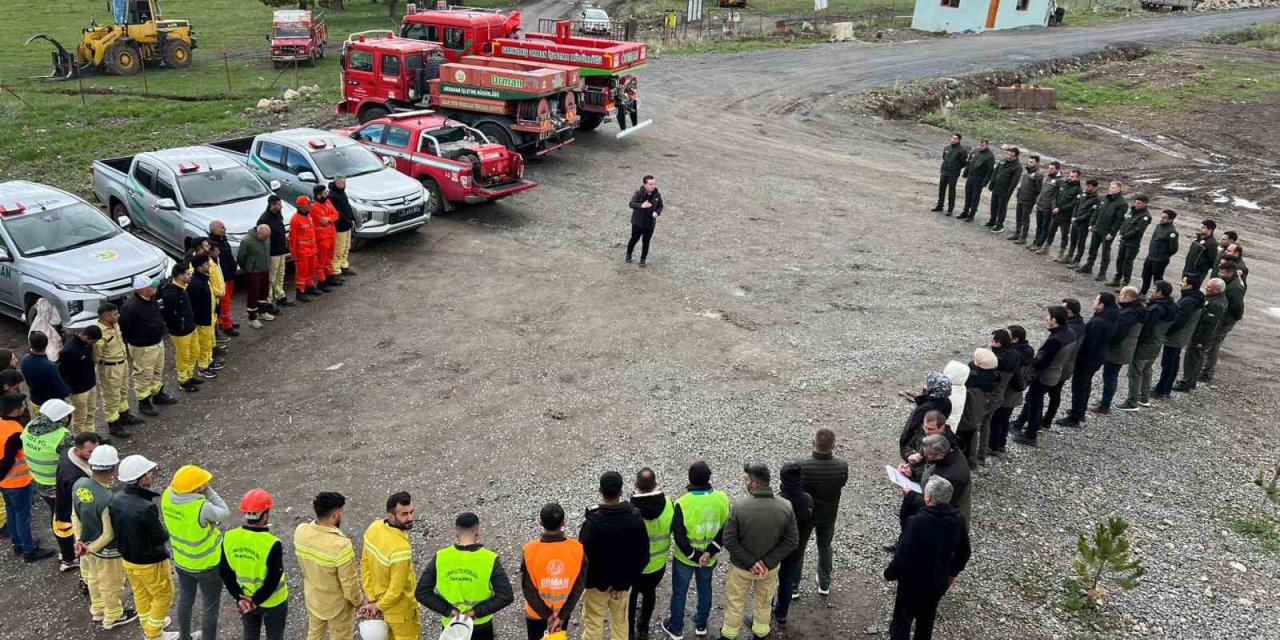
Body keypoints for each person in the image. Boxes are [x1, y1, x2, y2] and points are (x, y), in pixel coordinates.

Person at [883, 477, 971, 640]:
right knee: (926, 622)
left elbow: (903, 555)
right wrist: (952, 574)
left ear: (928, 497)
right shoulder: (958, 520)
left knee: (902, 620)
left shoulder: (916, 522)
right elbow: (964, 552)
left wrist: (889, 573)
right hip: (937, 582)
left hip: (912, 582)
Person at [718, 462, 798, 640]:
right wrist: (766, 562)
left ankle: (729, 635)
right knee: (764, 602)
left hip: (741, 569)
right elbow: (791, 541)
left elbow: (729, 539)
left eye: (746, 479)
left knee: (735, 602)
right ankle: (761, 633)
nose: (744, 482)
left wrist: (751, 562)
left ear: (754, 484)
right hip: (768, 570)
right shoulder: (786, 507)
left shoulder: (739, 507)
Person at [415, 512, 514, 640]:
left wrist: (449, 611)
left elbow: (421, 593)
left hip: (451, 627)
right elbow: (506, 596)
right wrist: (475, 613)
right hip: (481, 626)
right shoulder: (489, 559)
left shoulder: (441, 557)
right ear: (477, 533)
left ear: (457, 533)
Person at [72, 444, 140, 630]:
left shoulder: (79, 484)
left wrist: (81, 542)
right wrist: (90, 548)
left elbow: (75, 516)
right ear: (113, 468)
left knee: (93, 579)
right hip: (106, 552)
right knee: (111, 583)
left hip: (86, 544)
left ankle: (98, 610)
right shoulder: (108, 498)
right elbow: (109, 534)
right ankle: (113, 616)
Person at [111, 454, 179, 640]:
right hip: (150, 561)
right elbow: (160, 536)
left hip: (129, 559)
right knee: (164, 595)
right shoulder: (145, 506)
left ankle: (148, 622)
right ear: (140, 479)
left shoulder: (116, 499)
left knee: (141, 594)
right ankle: (154, 633)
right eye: (148, 472)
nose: (151, 474)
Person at [662, 461, 730, 640]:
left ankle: (676, 627)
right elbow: (726, 529)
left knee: (679, 592)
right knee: (705, 589)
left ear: (690, 479)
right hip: (710, 558)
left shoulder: (683, 503)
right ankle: (701, 624)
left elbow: (679, 536)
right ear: (709, 478)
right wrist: (708, 553)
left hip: (685, 559)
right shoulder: (722, 499)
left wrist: (694, 555)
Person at [162, 464, 231, 640]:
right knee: (210, 606)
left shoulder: (167, 496)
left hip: (182, 561)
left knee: (185, 599)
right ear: (197, 487)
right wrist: (207, 490)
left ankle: (184, 637)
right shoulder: (201, 506)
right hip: (207, 564)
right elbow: (224, 513)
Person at [579, 470, 648, 640]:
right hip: (622, 586)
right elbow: (643, 555)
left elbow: (584, 560)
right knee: (620, 623)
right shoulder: (635, 520)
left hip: (596, 586)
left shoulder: (591, 524)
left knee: (594, 623)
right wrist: (622, 583)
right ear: (621, 492)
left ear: (599, 490)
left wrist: (603, 584)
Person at [221, 489, 289, 640]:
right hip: (273, 602)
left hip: (245, 599)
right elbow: (273, 579)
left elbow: (225, 572)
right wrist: (256, 601)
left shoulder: (229, 537)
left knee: (250, 635)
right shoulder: (272, 543)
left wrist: (241, 599)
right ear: (265, 516)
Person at [294, 491, 361, 640]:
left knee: (314, 634)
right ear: (336, 513)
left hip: (314, 598)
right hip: (337, 606)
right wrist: (358, 602)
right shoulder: (341, 545)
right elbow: (349, 583)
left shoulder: (301, 531)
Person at [1, 393, 58, 561]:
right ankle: (29, 549)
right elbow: (11, 457)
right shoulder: (16, 431)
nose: (25, 407)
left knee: (12, 512)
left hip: (5, 482)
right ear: (16, 410)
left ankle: (17, 543)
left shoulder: (2, 424)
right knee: (23, 516)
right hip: (18, 481)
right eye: (23, 405)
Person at [22, 399, 76, 566]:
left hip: (39, 482)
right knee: (64, 518)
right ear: (63, 418)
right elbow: (74, 458)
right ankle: (69, 557)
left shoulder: (30, 427)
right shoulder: (61, 436)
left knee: (56, 515)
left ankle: (67, 551)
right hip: (58, 485)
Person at [521, 503, 587, 640]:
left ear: (540, 522)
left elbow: (528, 588)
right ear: (564, 523)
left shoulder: (529, 551)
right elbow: (578, 587)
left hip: (536, 613)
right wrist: (560, 616)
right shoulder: (577, 549)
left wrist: (547, 615)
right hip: (562, 610)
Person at [360, 492, 420, 640]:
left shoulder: (374, 528)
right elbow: (396, 590)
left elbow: (365, 565)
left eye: (411, 512)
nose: (410, 518)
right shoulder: (401, 549)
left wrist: (372, 599)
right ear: (391, 516)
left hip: (380, 605)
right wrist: (378, 606)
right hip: (402, 613)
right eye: (404, 514)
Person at [1012, 306, 1073, 446]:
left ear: (1054, 320)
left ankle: (1030, 435)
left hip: (1044, 377)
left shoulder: (1055, 339)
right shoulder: (1069, 333)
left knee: (1035, 404)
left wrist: (1030, 364)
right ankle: (1023, 424)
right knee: (1034, 401)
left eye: (1048, 316)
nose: (1046, 318)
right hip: (1056, 373)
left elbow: (1042, 363)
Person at [800, 427, 849, 598]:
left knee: (800, 549)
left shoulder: (803, 466)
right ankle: (824, 583)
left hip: (807, 514)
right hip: (829, 514)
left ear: (813, 443)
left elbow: (800, 489)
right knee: (825, 547)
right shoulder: (842, 466)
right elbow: (841, 483)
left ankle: (793, 586)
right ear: (834, 446)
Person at [1057, 293, 1119, 428]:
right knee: (1086, 383)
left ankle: (1075, 416)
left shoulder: (1098, 322)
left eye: (1096, 300)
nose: (1093, 301)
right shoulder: (1111, 316)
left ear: (1102, 305)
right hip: (1099, 356)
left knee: (1079, 386)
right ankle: (1080, 410)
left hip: (1088, 359)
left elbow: (1089, 344)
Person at [120, 275, 176, 416]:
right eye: (152, 286)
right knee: (143, 375)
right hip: (142, 347)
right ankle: (143, 402)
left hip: (156, 342)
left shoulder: (150, 299)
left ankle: (157, 393)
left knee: (157, 370)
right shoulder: (130, 307)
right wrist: (137, 338)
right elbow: (124, 327)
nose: (155, 288)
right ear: (143, 290)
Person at [1118, 280, 1177, 411]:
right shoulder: (1173, 306)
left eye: (1154, 289)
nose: (1152, 291)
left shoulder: (1155, 309)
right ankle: (1144, 398)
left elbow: (1146, 330)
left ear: (1160, 292)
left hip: (1147, 344)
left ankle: (1132, 402)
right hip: (1157, 343)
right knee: (1147, 369)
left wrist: (1136, 343)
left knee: (1135, 371)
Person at [629, 467, 672, 639]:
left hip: (635, 568)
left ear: (636, 485)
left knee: (631, 598)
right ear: (656, 484)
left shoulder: (630, 511)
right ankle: (644, 627)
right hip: (657, 566)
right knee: (649, 593)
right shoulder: (669, 504)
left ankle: (630, 630)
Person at [897, 434, 971, 532]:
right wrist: (913, 473)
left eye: (928, 456)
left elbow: (936, 505)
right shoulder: (947, 456)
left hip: (940, 523)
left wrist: (911, 495)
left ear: (940, 455)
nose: (925, 458)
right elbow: (931, 470)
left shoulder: (950, 477)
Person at [771, 461, 813, 626]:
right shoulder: (807, 499)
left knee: (769, 583)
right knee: (787, 581)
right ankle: (781, 613)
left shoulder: (778, 501)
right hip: (796, 548)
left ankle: (765, 614)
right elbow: (809, 523)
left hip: (776, 550)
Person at [1093, 287, 1145, 415]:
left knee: (1110, 377)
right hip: (1124, 349)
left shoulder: (1129, 314)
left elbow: (1118, 333)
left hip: (1118, 351)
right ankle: (1105, 400)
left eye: (1121, 294)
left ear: (1128, 297)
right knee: (1111, 376)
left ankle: (1105, 405)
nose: (1119, 297)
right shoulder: (1138, 310)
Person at [1152, 277, 1205, 399]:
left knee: (1168, 363)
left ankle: (1161, 389)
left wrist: (1165, 330)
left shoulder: (1189, 302)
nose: (1181, 283)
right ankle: (1166, 388)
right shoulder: (1195, 297)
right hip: (1181, 336)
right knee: (1173, 362)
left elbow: (1179, 321)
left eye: (1184, 282)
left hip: (1176, 337)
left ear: (1190, 286)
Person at [95, 302, 145, 432]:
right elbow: (96, 354)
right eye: (114, 314)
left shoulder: (115, 324)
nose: (118, 316)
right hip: (110, 367)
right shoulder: (98, 331)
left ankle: (124, 414)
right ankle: (113, 423)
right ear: (105, 317)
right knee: (111, 396)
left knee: (123, 390)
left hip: (122, 363)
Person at [1174, 277, 1227, 393]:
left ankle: (1187, 382)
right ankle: (1191, 381)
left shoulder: (1216, 304)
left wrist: (1200, 340)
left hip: (1200, 337)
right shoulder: (1214, 298)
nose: (1206, 289)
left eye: (1209, 288)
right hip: (1199, 335)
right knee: (1196, 358)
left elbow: (1208, 325)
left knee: (1193, 359)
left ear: (1217, 290)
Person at [56, 431, 98, 574]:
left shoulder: (67, 452)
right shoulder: (76, 476)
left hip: (61, 501)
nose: (93, 455)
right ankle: (71, 560)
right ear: (78, 449)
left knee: (62, 529)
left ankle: (66, 554)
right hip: (71, 509)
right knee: (77, 536)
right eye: (90, 451)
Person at [988, 325, 1032, 455]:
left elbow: (1014, 380)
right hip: (1014, 395)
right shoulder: (1027, 351)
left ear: (1015, 340)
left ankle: (994, 446)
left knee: (997, 421)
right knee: (1004, 420)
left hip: (1006, 395)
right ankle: (1001, 444)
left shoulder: (1011, 357)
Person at [60, 325, 108, 437]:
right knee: (80, 417)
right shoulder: (69, 350)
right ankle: (80, 439)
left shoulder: (88, 344)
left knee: (91, 413)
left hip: (90, 385)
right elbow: (63, 372)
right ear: (86, 336)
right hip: (79, 391)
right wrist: (70, 389)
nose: (94, 343)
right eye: (93, 341)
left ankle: (90, 436)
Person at [1201, 260, 1245, 383]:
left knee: (1213, 345)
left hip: (1225, 320)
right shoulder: (1228, 282)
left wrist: (1230, 319)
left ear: (1230, 272)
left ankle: (1207, 373)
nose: (1220, 273)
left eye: (1222, 272)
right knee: (1211, 344)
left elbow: (1237, 307)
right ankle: (1205, 370)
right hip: (1222, 317)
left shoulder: (1235, 287)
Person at [161, 263, 201, 393]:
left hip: (190, 326)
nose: (190, 276)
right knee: (183, 356)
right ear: (179, 276)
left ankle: (189, 375)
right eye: (187, 274)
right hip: (181, 331)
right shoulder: (171, 294)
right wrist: (178, 325)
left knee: (194, 352)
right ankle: (183, 380)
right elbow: (169, 315)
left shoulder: (181, 288)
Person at [1077, 181, 1128, 281]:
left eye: (1113, 187)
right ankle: (1088, 266)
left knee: (1105, 252)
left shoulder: (1122, 203)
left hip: (1107, 231)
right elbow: (1097, 211)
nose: (1110, 189)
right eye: (1110, 187)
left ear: (1119, 189)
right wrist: (1091, 223)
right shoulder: (1104, 198)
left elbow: (1119, 220)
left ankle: (1102, 273)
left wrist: (1112, 233)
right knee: (1092, 249)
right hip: (1097, 228)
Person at [957, 348, 998, 468]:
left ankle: (968, 461)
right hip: (986, 407)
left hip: (970, 413)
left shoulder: (973, 378)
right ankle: (980, 457)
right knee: (984, 428)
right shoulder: (994, 376)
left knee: (970, 436)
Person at [897, 372, 953, 459]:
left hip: (920, 442)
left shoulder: (926, 407)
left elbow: (912, 427)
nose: (925, 386)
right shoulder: (946, 402)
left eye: (928, 384)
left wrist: (905, 448)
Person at [188, 255, 222, 380]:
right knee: (204, 343)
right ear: (199, 267)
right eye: (207, 264)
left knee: (208, 342)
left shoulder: (204, 278)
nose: (209, 266)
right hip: (203, 319)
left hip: (210, 316)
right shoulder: (196, 283)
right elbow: (194, 304)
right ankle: (203, 367)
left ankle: (208, 361)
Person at [237, 224, 277, 330]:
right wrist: (248, 268)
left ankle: (262, 312)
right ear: (258, 233)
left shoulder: (266, 238)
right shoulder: (247, 241)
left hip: (264, 269)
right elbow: (241, 257)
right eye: (264, 236)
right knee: (253, 294)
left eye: (267, 237)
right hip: (253, 272)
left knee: (264, 292)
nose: (266, 238)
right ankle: (252, 318)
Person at [20, 330, 70, 413]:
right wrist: (69, 389)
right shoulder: (50, 367)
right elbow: (63, 391)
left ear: (31, 344)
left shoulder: (25, 360)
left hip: (36, 402)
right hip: (51, 407)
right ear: (47, 344)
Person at [1107, 196, 1153, 287]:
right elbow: (1124, 223)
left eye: (1139, 203)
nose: (1136, 204)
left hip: (1132, 243)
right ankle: (1117, 279)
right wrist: (1121, 234)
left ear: (1145, 204)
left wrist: (1124, 235)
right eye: (1136, 202)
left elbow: (1138, 230)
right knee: (1120, 259)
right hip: (1124, 240)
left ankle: (1125, 282)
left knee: (1127, 262)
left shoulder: (1145, 216)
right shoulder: (1132, 211)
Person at [257, 195, 292, 310]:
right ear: (272, 205)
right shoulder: (264, 219)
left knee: (280, 274)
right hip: (272, 253)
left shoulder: (277, 215)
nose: (281, 206)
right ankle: (268, 301)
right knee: (271, 278)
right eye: (278, 204)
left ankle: (280, 295)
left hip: (281, 250)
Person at [209, 220, 241, 337]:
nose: (224, 229)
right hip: (223, 277)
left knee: (227, 301)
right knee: (225, 302)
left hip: (229, 274)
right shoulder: (212, 244)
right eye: (222, 227)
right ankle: (227, 326)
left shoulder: (223, 240)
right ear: (214, 230)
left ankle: (223, 321)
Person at [1041, 168, 1081, 257]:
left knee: (1064, 235)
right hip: (1055, 213)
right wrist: (1054, 206)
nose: (1070, 178)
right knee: (1051, 231)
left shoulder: (1078, 189)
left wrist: (1060, 209)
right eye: (1070, 176)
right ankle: (1045, 248)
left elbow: (1073, 203)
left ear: (1077, 178)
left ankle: (1061, 253)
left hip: (1065, 216)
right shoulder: (1064, 184)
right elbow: (1055, 196)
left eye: (1072, 177)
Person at [1139, 210, 1179, 297]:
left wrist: (1163, 254)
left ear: (1170, 219)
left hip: (1160, 259)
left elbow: (1173, 249)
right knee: (1145, 275)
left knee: (1157, 279)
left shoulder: (1172, 232)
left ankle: (1160, 294)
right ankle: (1143, 292)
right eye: (1162, 217)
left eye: (1164, 218)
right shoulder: (1159, 226)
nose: (1161, 219)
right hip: (1151, 256)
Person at [627, 175, 664, 267]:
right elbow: (631, 204)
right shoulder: (638, 193)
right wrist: (641, 206)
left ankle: (643, 260)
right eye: (650, 184)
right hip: (637, 223)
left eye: (654, 184)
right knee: (634, 239)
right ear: (644, 184)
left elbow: (660, 205)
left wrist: (657, 212)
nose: (653, 186)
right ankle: (628, 255)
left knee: (646, 242)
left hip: (650, 224)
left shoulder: (657, 194)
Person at [1062, 179, 1101, 267]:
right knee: (1073, 240)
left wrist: (1078, 219)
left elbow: (1090, 213)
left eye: (1089, 186)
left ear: (1094, 187)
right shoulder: (1083, 195)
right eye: (1086, 185)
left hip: (1084, 223)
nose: (1087, 187)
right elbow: (1076, 205)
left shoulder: (1096, 199)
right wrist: (1073, 216)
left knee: (1081, 243)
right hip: (1076, 221)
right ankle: (1069, 256)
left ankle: (1077, 261)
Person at [311, 184, 342, 291]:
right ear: (318, 196)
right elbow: (322, 221)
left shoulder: (327, 202)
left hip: (330, 235)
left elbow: (336, 214)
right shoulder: (314, 207)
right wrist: (330, 218)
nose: (327, 195)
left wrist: (329, 218)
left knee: (329, 258)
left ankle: (330, 277)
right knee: (321, 261)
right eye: (325, 193)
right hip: (322, 238)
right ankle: (321, 282)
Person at [291, 196, 322, 302]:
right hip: (302, 252)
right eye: (308, 204)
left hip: (311, 250)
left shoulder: (308, 216)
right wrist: (294, 254)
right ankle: (300, 292)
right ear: (301, 206)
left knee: (311, 270)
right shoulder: (295, 219)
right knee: (302, 273)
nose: (310, 206)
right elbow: (293, 239)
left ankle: (309, 286)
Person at [983, 146, 1020, 233]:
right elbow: (995, 172)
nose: (1009, 157)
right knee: (993, 206)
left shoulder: (1017, 167)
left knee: (1001, 208)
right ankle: (992, 221)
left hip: (1004, 191)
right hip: (996, 188)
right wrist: (991, 183)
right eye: (1008, 154)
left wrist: (1008, 193)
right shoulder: (1003, 161)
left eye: (1012, 156)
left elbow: (1014, 182)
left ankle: (1000, 225)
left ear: (1016, 157)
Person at [1028, 160, 1062, 251]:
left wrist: (1053, 206)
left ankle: (1040, 244)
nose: (1049, 170)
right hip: (1040, 205)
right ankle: (1035, 241)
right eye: (1049, 168)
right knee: (1038, 225)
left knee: (1045, 227)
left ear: (1057, 170)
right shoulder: (1047, 177)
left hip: (1047, 208)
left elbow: (1058, 195)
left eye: (1052, 169)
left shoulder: (1059, 181)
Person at [328, 177, 359, 277]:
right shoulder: (333, 196)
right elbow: (338, 213)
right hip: (340, 227)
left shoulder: (342, 193)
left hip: (347, 225)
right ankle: (336, 270)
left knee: (346, 247)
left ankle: (343, 266)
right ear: (336, 183)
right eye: (341, 183)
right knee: (339, 249)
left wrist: (352, 219)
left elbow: (347, 206)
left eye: (344, 182)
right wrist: (349, 221)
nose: (343, 184)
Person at [1008, 154, 1042, 244]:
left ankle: (1023, 237)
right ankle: (1017, 233)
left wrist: (1032, 197)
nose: (1029, 163)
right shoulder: (1028, 171)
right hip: (1021, 197)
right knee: (1018, 216)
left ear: (1037, 163)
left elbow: (1039, 189)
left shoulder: (1038, 174)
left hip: (1028, 200)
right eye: (1029, 161)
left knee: (1025, 218)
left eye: (1032, 162)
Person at [956, 138, 993, 220]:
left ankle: (972, 213)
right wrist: (965, 173)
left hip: (979, 178)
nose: (980, 146)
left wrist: (985, 182)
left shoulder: (990, 156)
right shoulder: (975, 152)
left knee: (975, 196)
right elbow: (969, 162)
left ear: (987, 145)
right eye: (980, 144)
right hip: (971, 176)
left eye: (982, 145)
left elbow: (990, 171)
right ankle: (965, 211)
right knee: (968, 194)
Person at [931, 134, 968, 215]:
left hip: (953, 174)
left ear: (959, 140)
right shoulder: (947, 148)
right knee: (941, 189)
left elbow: (963, 163)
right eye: (953, 138)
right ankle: (940, 205)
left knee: (951, 191)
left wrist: (955, 168)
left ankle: (950, 209)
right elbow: (944, 157)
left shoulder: (962, 150)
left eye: (955, 139)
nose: (953, 140)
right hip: (944, 172)